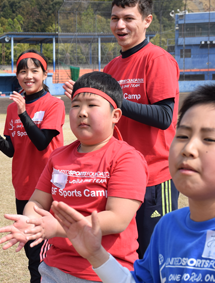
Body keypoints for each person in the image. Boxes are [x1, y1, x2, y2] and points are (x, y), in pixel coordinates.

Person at [52, 84, 215, 283]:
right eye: (182, 136)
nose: (188, 148)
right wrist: (96, 254)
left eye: (209, 139)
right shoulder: (168, 226)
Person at [0, 72, 148, 282]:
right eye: (75, 105)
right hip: (54, 268)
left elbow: (117, 219)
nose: (82, 113)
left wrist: (57, 228)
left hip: (103, 270)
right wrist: (30, 222)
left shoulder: (126, 158)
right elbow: (38, 201)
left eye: (92, 105)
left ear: (116, 116)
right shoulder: (58, 156)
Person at [63, 0, 180, 258]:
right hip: (119, 177)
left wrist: (112, 100)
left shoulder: (157, 59)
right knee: (123, 254)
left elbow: (164, 117)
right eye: (115, 18)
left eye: (128, 18)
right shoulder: (112, 66)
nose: (120, 25)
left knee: (156, 255)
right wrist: (87, 100)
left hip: (154, 177)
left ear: (147, 20)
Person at [0, 50, 65, 283]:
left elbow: (41, 142)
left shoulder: (53, 105)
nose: (29, 76)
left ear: (45, 75)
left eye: (35, 71)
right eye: (23, 71)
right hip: (23, 188)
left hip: (48, 190)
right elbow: (12, 150)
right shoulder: (12, 108)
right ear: (16, 76)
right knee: (31, 252)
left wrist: (24, 113)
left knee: (46, 250)